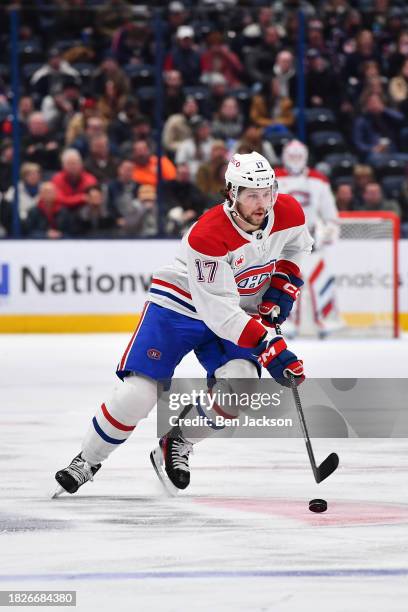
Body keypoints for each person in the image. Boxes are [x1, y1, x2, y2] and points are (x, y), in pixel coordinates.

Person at [54, 151, 313, 496]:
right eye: (252, 194)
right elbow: (218, 312)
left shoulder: (289, 212)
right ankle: (87, 460)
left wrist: (282, 285)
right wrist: (269, 346)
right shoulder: (206, 234)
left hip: (233, 309)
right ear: (231, 194)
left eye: (267, 192)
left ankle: (176, 442)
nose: (262, 202)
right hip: (180, 305)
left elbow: (298, 247)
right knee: (137, 395)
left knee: (240, 387)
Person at [275, 140, 341, 337]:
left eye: (299, 156)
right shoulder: (273, 177)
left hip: (312, 237)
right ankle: (284, 322)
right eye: (291, 156)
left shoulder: (319, 179)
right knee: (284, 280)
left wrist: (330, 230)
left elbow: (330, 213)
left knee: (321, 278)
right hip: (283, 239)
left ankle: (328, 320)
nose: (295, 160)